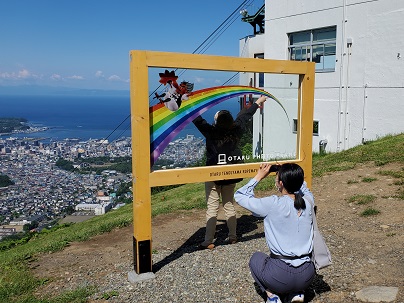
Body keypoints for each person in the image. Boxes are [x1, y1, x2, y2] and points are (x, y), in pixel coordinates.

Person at [192, 95, 267, 250]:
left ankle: (208, 241)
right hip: (231, 174)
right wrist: (258, 102)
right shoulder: (237, 130)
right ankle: (233, 236)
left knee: (212, 208)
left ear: (216, 121)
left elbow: (197, 119)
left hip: (213, 175)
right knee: (229, 205)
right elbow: (245, 116)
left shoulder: (211, 131)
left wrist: (182, 104)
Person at [234, 163, 316, 303]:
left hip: (279, 275)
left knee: (256, 258)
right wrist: (289, 171)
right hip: (307, 275)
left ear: (281, 183)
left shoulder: (273, 204)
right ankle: (297, 293)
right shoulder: (309, 201)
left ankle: (272, 296)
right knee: (295, 279)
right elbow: (303, 186)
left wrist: (260, 175)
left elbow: (240, 195)